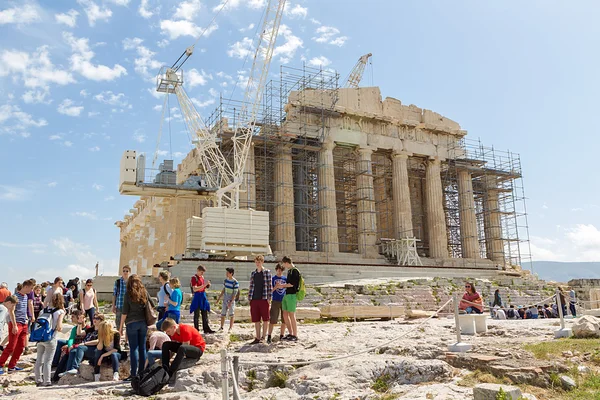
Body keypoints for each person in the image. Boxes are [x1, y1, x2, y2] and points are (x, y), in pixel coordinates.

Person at [120, 274, 153, 381]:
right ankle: (141, 373)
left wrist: (120, 327)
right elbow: (152, 304)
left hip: (131, 323)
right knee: (142, 348)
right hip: (143, 323)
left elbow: (124, 312)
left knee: (133, 348)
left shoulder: (128, 294)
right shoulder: (144, 292)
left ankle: (133, 374)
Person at [0, 279, 34, 374]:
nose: (31, 290)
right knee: (11, 346)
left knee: (20, 346)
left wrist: (28, 319)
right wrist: (14, 325)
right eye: (30, 288)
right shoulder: (15, 297)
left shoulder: (26, 297)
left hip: (24, 323)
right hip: (16, 324)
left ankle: (12, 366)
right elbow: (11, 311)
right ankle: (0, 364)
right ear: (26, 286)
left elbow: (24, 310)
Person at [161, 318, 205, 384]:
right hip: (185, 347)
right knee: (166, 344)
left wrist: (174, 362)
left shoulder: (185, 329)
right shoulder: (174, 333)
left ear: (174, 327)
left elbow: (185, 347)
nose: (167, 333)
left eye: (168, 331)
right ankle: (165, 369)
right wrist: (168, 358)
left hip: (198, 349)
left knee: (183, 348)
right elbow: (174, 349)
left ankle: (170, 372)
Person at [34, 294, 65, 387]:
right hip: (51, 338)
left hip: (40, 338)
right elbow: (59, 327)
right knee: (48, 361)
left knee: (39, 359)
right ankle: (47, 381)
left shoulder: (43, 310)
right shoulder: (60, 311)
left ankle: (38, 380)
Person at [52, 309, 86, 381]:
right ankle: (55, 367)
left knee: (70, 353)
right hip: (74, 344)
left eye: (73, 317)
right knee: (60, 343)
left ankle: (67, 371)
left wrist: (71, 346)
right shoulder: (74, 328)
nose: (71, 318)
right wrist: (70, 345)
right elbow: (71, 338)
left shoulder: (87, 328)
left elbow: (84, 340)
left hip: (79, 346)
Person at [248, 255, 272, 344]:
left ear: (262, 262)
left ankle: (263, 337)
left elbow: (270, 285)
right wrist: (250, 298)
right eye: (256, 262)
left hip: (264, 298)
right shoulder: (253, 273)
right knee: (256, 319)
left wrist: (269, 297)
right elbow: (251, 286)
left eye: (259, 262)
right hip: (254, 298)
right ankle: (257, 337)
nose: (257, 263)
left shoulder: (267, 272)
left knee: (265, 319)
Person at [278, 256, 300, 341]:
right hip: (286, 294)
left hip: (292, 295)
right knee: (285, 314)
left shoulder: (295, 271)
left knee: (291, 315)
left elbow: (292, 284)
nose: (284, 265)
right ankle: (290, 333)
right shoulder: (289, 271)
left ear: (287, 263)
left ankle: (295, 334)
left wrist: (282, 286)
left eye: (284, 263)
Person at [190, 265, 215, 334]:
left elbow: (202, 287)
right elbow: (195, 289)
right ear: (198, 270)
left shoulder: (202, 277)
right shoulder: (194, 278)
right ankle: (196, 329)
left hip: (203, 296)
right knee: (197, 314)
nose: (202, 274)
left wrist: (207, 285)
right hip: (197, 297)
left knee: (204, 313)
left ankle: (206, 328)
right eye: (201, 272)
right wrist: (204, 285)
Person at [268, 263, 286, 343]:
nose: (279, 272)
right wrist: (276, 287)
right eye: (278, 270)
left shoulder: (285, 279)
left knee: (284, 319)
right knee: (272, 319)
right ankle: (269, 336)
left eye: (281, 270)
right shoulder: (273, 279)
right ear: (276, 270)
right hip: (275, 300)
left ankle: (282, 335)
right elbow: (270, 290)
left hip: (284, 300)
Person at [216, 267, 239, 332]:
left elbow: (235, 293)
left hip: (231, 299)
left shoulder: (235, 282)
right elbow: (224, 289)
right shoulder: (226, 280)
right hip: (225, 299)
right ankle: (221, 327)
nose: (226, 274)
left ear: (231, 273)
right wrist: (219, 298)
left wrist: (231, 301)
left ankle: (230, 328)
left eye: (227, 272)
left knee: (231, 314)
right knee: (223, 313)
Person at [112, 266, 131, 342]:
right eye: (124, 271)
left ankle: (126, 341)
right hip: (119, 305)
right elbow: (114, 294)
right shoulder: (118, 282)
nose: (125, 272)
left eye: (127, 271)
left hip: (129, 306)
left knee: (128, 324)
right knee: (118, 323)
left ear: (129, 272)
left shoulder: (131, 282)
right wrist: (113, 305)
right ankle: (118, 340)